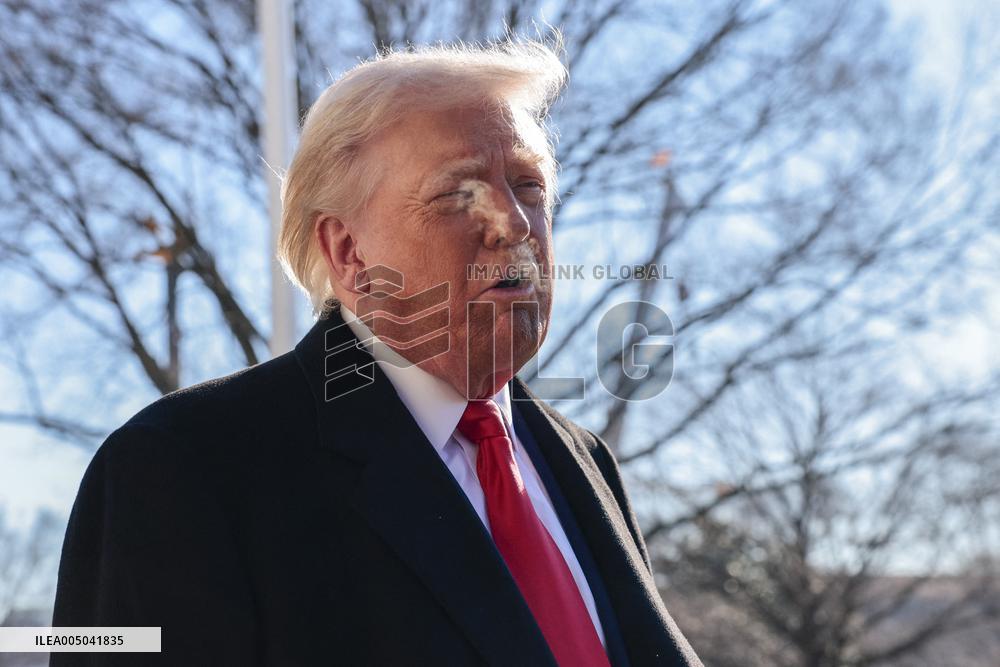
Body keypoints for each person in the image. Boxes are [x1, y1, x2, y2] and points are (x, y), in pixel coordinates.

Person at [52, 38, 702, 666]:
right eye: (461, 193)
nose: (516, 223)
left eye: (529, 185)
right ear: (348, 253)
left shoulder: (584, 461)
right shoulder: (179, 467)